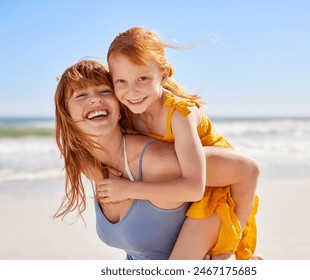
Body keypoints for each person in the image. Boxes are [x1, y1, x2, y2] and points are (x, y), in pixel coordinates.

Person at [54, 60, 260, 260]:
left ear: (119, 104)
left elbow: (247, 169)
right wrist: (100, 176)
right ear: (67, 114)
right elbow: (71, 146)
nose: (95, 99)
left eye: (105, 91)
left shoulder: (158, 160)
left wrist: (231, 242)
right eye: (81, 94)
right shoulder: (90, 160)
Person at [104, 26, 259, 259]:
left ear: (163, 76)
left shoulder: (179, 115)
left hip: (215, 193)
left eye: (143, 78)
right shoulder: (128, 112)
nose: (132, 91)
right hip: (179, 193)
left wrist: (128, 189)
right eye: (121, 81)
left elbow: (195, 188)